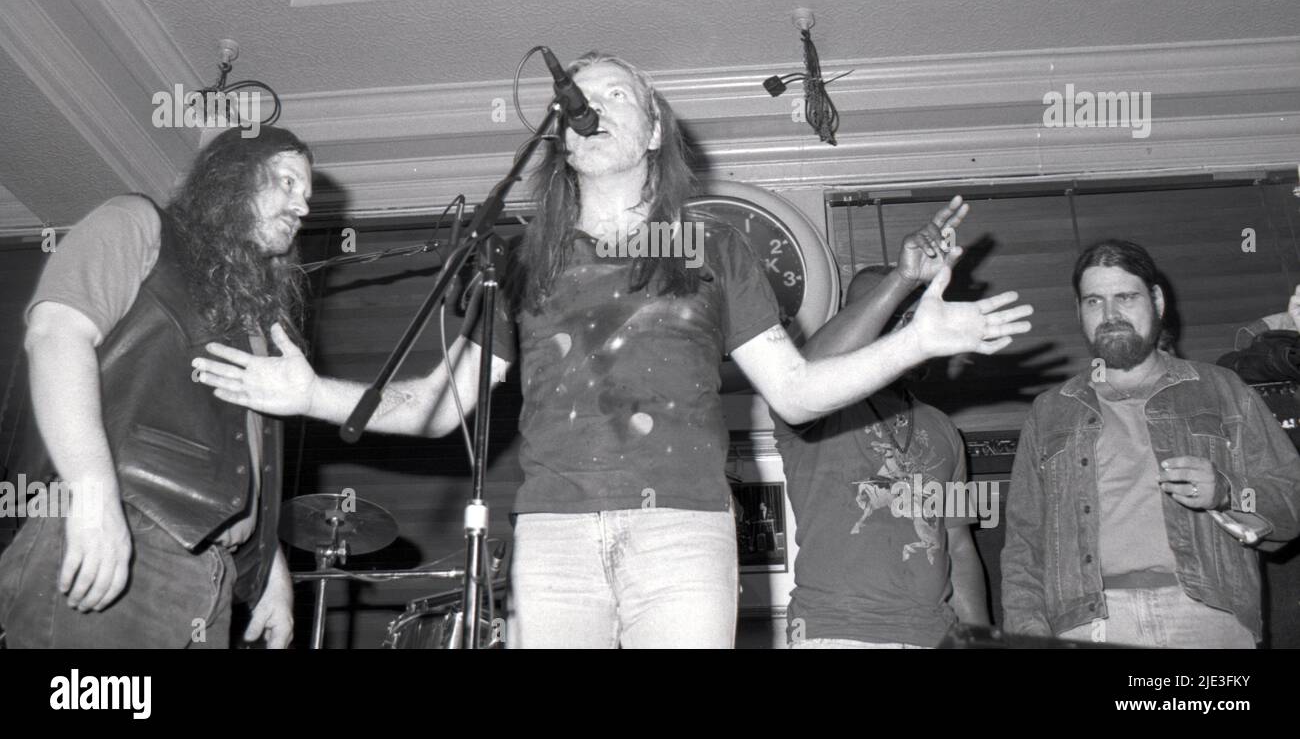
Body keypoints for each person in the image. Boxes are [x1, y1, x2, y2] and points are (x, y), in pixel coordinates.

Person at [193, 52, 1032, 648]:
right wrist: (309, 396)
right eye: (576, 100)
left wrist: (917, 337)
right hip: (553, 537)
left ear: (656, 130)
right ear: (560, 135)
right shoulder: (523, 259)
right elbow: (436, 405)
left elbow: (801, 392)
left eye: (614, 96)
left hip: (682, 531)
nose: (587, 108)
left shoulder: (708, 247)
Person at [0, 127, 309, 648]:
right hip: (122, 534)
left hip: (212, 574)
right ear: (232, 178)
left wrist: (267, 564)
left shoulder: (253, 320)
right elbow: (56, 334)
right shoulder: (138, 223)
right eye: (288, 182)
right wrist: (94, 500)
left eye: (307, 195)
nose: (302, 206)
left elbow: (242, 458)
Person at [1001, 239, 1300, 647]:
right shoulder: (1050, 411)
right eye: (1094, 302)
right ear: (1079, 311)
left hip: (1205, 618)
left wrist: (1228, 493)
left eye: (1125, 297)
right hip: (1087, 624)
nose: (1110, 315)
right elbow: (1024, 547)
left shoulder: (1220, 389)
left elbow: (1292, 498)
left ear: (1157, 300)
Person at [775, 198, 990, 648]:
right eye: (876, 316)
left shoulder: (944, 429)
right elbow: (804, 374)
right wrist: (901, 279)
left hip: (935, 636)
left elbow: (959, 545)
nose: (895, 327)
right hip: (836, 634)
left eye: (904, 315)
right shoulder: (813, 406)